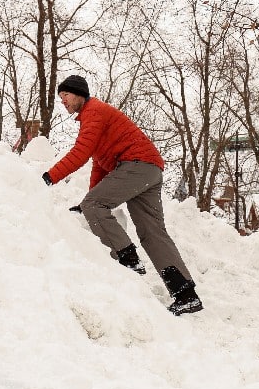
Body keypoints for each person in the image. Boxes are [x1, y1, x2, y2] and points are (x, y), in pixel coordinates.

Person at [42, 75, 203, 315]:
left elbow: (80, 153)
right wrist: (90, 196)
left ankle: (128, 258)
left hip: (136, 165)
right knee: (152, 232)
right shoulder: (96, 116)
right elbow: (99, 164)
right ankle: (185, 293)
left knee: (94, 205)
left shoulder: (93, 112)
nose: (62, 101)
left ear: (78, 94)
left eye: (65, 95)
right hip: (149, 169)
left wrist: (49, 177)